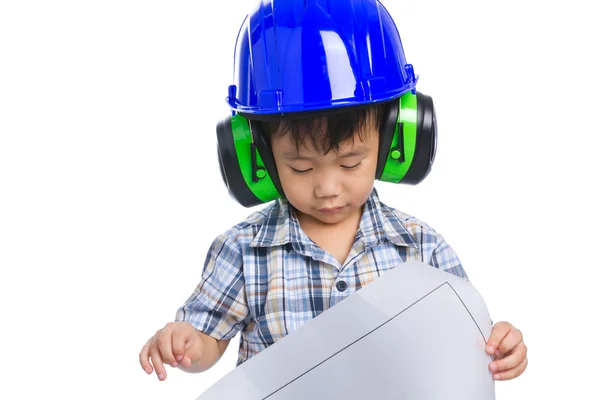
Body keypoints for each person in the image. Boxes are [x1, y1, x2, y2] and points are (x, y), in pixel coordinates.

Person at [139, 0, 527, 383]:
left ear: (395, 139)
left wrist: (502, 344)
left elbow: (467, 337)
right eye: (301, 167)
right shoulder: (243, 250)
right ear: (257, 155)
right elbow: (208, 339)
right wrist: (185, 344)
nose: (327, 188)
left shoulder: (420, 247)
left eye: (350, 164)